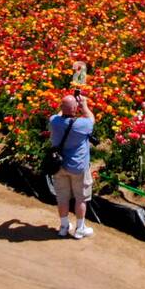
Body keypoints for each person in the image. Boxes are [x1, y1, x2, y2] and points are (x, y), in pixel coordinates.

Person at [49, 93, 95, 239]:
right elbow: (91, 119)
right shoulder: (83, 124)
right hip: (77, 167)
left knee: (62, 198)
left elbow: (60, 113)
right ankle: (80, 229)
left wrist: (67, 106)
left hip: (58, 166)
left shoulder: (54, 121)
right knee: (81, 198)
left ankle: (63, 227)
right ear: (75, 108)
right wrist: (84, 106)